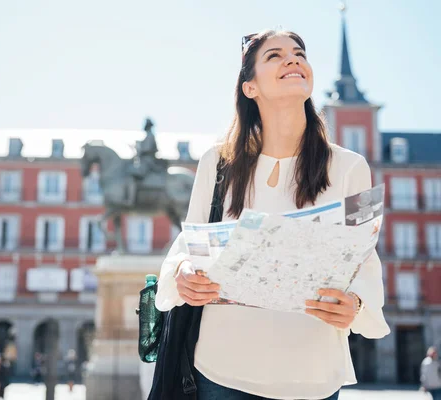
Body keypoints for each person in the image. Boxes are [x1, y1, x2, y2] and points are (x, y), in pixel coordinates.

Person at [155, 29, 390, 400]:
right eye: (275, 55)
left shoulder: (354, 166)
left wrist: (357, 304)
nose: (293, 59)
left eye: (299, 53)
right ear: (250, 87)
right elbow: (188, 244)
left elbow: (365, 253)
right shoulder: (215, 163)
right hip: (220, 371)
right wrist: (183, 275)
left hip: (314, 374)